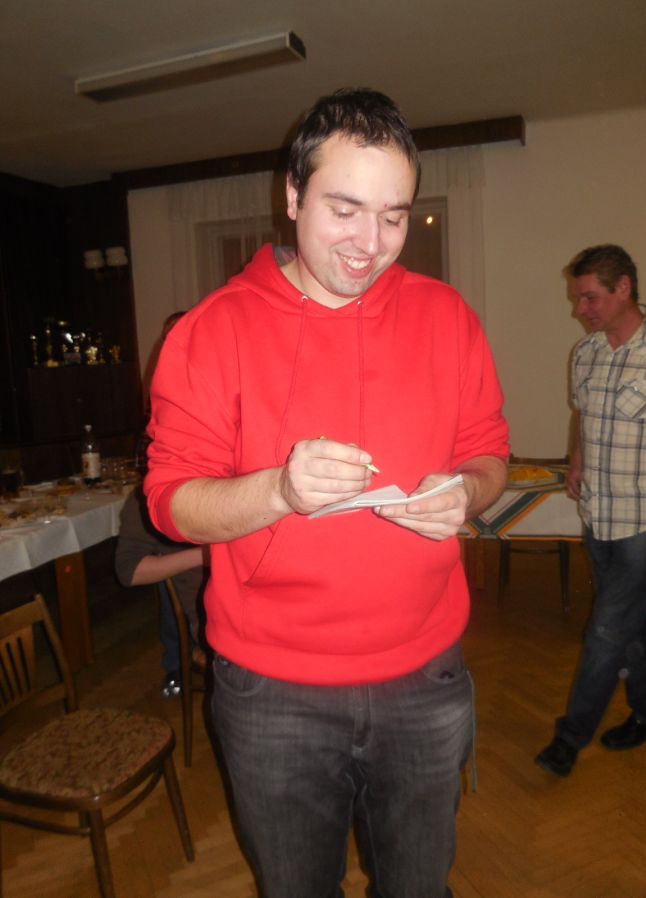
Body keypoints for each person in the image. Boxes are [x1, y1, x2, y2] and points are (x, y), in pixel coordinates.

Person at [145, 87, 509, 898]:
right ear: (292, 195)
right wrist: (278, 489)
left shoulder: (447, 316)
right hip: (273, 693)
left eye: (393, 217)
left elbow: (489, 452)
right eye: (345, 210)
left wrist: (468, 493)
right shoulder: (211, 330)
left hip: (426, 677)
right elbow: (171, 504)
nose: (370, 245)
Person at [536, 244, 646, 778]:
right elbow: (582, 414)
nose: (581, 309)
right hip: (598, 514)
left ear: (624, 289)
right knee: (632, 624)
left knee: (606, 631)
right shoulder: (586, 352)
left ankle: (569, 738)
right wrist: (577, 458)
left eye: (590, 297)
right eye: (578, 298)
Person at [115, 485, 208, 695]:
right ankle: (176, 662)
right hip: (220, 622)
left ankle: (177, 662)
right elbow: (129, 571)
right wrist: (205, 556)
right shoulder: (151, 495)